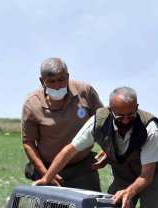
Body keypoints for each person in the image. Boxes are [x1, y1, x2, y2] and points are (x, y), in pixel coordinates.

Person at [34, 87, 158, 208]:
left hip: (153, 174)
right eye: (120, 116)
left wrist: (129, 191)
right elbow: (70, 150)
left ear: (137, 107)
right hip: (123, 172)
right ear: (111, 110)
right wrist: (47, 177)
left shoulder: (149, 128)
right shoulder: (98, 121)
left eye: (131, 115)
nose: (126, 120)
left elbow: (146, 176)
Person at [22, 57, 105, 190]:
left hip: (82, 167)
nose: (57, 86)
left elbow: (103, 121)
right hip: (48, 167)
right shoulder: (32, 103)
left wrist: (108, 149)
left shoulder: (85, 92)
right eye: (51, 81)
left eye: (61, 80)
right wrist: (46, 175)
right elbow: (28, 142)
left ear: (67, 77)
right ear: (42, 81)